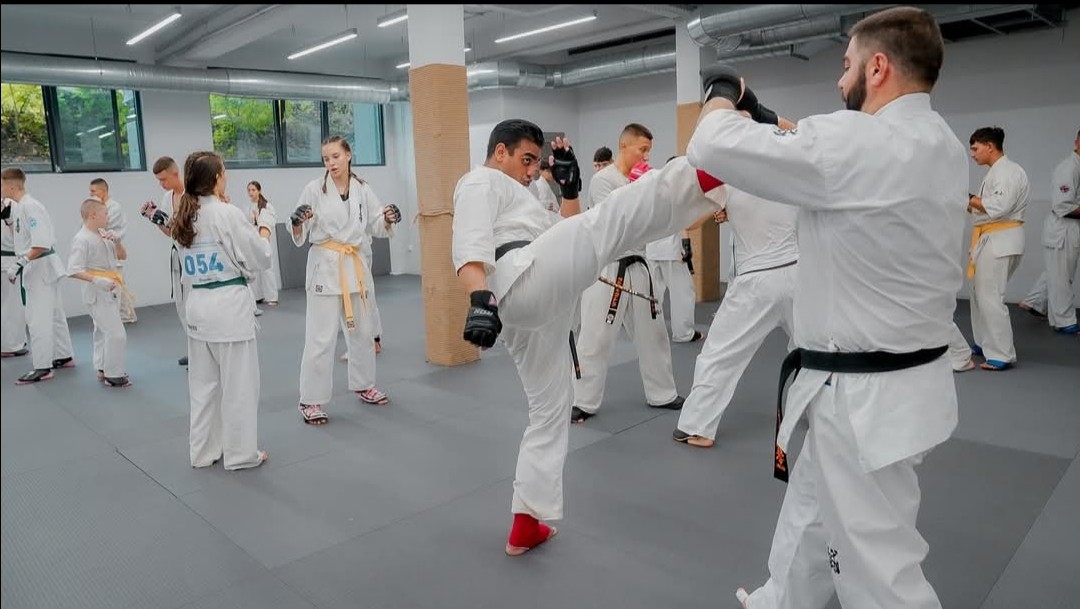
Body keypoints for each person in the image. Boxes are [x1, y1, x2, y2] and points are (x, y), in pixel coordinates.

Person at [686, 7, 967, 607]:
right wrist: (765, 118)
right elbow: (821, 154)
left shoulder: (859, 141)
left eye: (846, 67)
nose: (840, 82)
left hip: (859, 399)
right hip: (903, 385)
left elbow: (709, 141)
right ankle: (781, 601)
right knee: (811, 514)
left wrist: (722, 92)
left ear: (879, 65)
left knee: (878, 572)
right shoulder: (941, 143)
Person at [452, 119, 726, 556]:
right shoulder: (479, 180)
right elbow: (470, 241)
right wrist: (478, 297)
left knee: (550, 408)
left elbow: (565, 234)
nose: (529, 171)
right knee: (609, 222)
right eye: (525, 160)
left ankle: (526, 522)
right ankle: (708, 171)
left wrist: (570, 187)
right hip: (517, 278)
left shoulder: (525, 197)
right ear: (499, 151)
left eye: (535, 164)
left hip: (536, 298)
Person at [571, 123, 684, 425]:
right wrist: (644, 189)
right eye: (642, 149)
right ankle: (582, 400)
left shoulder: (642, 180)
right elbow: (623, 220)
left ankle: (662, 393)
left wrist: (650, 189)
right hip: (609, 267)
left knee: (655, 333)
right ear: (625, 146)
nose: (646, 156)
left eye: (649, 150)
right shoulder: (602, 180)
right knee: (595, 335)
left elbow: (654, 218)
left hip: (640, 265)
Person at [672, 186, 798, 448]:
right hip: (799, 274)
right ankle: (821, 411)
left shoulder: (729, 179)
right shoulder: (789, 170)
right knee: (814, 349)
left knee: (720, 353)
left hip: (756, 279)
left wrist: (724, 206)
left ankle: (697, 426)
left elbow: (691, 222)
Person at [169, 151, 270, 470]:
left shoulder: (185, 216)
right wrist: (264, 232)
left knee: (203, 388)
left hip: (197, 307)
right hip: (228, 307)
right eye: (224, 171)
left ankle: (202, 452)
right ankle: (241, 454)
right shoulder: (226, 214)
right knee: (239, 386)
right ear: (216, 179)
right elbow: (260, 257)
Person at [290, 136, 401, 425]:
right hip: (325, 268)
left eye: (336, 156)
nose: (331, 163)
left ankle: (364, 384)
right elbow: (300, 227)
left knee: (363, 332)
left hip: (354, 266)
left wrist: (389, 217)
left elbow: (376, 223)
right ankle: (310, 400)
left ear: (349, 155)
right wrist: (297, 221)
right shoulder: (313, 190)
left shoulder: (363, 189)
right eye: (326, 158)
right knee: (320, 337)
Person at [2, 167, 75, 384]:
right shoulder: (19, 207)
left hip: (38, 265)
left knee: (37, 318)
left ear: (11, 185)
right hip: (39, 265)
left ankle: (43, 367)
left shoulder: (30, 206)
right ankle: (63, 355)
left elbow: (41, 243)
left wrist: (20, 263)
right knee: (53, 313)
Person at [966, 126, 1030, 370]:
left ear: (989, 146)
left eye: (975, 148)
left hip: (1001, 239)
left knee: (991, 296)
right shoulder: (994, 172)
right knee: (978, 293)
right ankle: (984, 342)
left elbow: (999, 206)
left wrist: (967, 196)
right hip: (991, 239)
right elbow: (982, 208)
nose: (972, 154)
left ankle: (1001, 353)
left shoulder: (1009, 172)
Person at [1020, 129, 1079, 334]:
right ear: (1076, 143)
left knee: (1057, 271)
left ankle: (1035, 302)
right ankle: (1064, 321)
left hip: (1071, 229)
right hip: (1063, 229)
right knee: (1062, 276)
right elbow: (1063, 206)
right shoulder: (1068, 168)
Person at [67, 198, 130, 387]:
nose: (108, 217)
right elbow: (72, 269)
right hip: (97, 291)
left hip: (111, 287)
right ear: (93, 215)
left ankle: (102, 367)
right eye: (105, 214)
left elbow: (123, 256)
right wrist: (97, 280)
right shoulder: (81, 238)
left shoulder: (103, 234)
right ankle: (114, 373)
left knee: (102, 331)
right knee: (116, 333)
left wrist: (116, 241)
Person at [140, 156, 191, 367]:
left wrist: (173, 224)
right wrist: (155, 219)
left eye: (164, 179)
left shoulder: (193, 195)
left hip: (194, 255)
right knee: (181, 303)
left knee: (194, 303)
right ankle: (193, 347)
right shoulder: (167, 198)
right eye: (158, 181)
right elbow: (169, 233)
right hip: (177, 254)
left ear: (175, 173)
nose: (162, 184)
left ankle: (203, 351)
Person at [646, 155, 702, 344]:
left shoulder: (653, 188)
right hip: (672, 251)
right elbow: (682, 221)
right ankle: (683, 333)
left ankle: (651, 333)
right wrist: (686, 246)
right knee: (683, 292)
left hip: (652, 249)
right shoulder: (678, 190)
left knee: (654, 294)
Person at [89, 178, 136, 323]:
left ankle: (125, 316)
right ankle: (127, 315)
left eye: (93, 191)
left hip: (113, 249)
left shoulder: (114, 207)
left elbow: (101, 226)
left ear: (103, 191)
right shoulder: (96, 208)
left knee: (116, 286)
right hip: (103, 252)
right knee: (117, 285)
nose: (90, 194)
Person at [1, 197, 28, 358]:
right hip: (9, 261)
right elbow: (20, 236)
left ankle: (11, 343)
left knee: (8, 304)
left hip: (8, 260)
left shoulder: (11, 204)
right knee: (12, 305)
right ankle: (10, 345)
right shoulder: (13, 205)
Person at [246, 181, 280, 306]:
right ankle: (258, 296)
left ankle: (272, 297)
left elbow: (268, 223)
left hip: (265, 239)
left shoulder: (267, 206)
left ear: (259, 191)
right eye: (249, 190)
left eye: (253, 190)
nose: (251, 192)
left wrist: (257, 218)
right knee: (255, 268)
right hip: (254, 240)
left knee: (267, 269)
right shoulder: (249, 206)